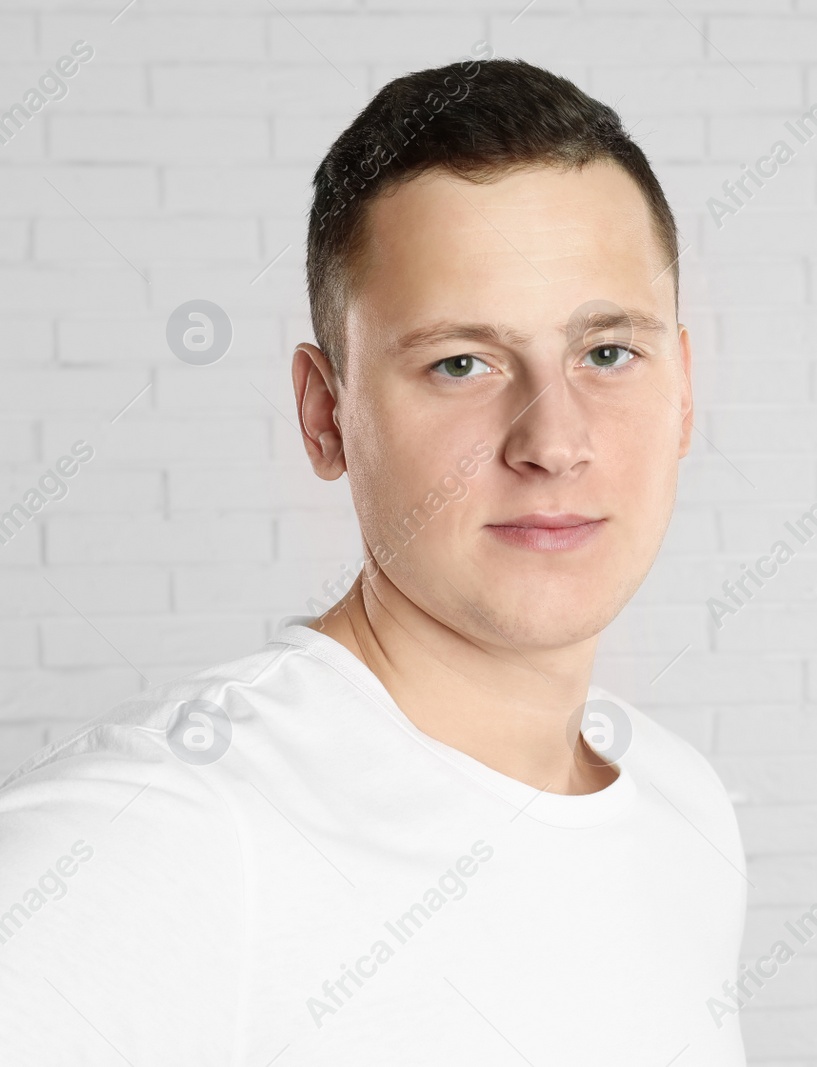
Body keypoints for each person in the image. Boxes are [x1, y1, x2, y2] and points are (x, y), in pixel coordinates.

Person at [0, 55, 748, 1065]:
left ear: (686, 390)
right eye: (460, 364)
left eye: (606, 352)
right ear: (326, 416)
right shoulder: (176, 830)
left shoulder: (681, 805)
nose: (553, 440)